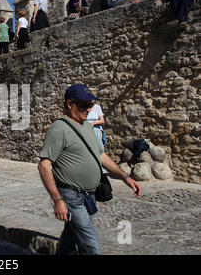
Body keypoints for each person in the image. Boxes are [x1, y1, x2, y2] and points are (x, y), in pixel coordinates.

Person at [37, 84, 142, 255]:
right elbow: (44, 165)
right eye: (84, 105)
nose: (88, 109)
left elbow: (101, 156)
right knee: (91, 246)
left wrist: (125, 177)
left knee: (70, 239)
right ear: (70, 103)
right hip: (72, 196)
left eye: (91, 104)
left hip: (89, 195)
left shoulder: (86, 125)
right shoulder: (59, 129)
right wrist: (57, 200)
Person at [87, 102, 108, 174]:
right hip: (85, 128)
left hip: (96, 129)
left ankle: (103, 169)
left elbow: (102, 120)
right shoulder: (83, 107)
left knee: (100, 149)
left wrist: (94, 123)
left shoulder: (97, 107)